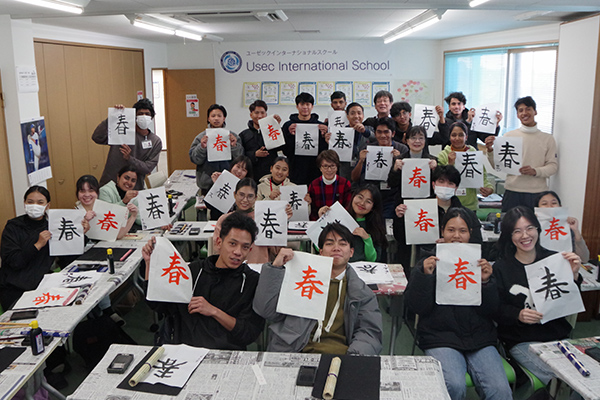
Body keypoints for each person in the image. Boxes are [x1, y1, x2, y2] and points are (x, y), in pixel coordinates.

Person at [405, 207, 512, 400]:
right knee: (453, 385)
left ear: (470, 233)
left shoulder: (480, 263)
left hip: (479, 338)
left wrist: (486, 282)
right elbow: (416, 307)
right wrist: (425, 276)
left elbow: (492, 310)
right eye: (451, 230)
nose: (456, 236)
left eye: (462, 231)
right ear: (442, 231)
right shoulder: (428, 261)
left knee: (500, 390)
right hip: (440, 336)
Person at [253, 223, 383, 355]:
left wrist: (355, 355)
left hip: (341, 355)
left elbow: (369, 332)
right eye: (329, 243)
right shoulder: (299, 279)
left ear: (351, 252)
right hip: (294, 350)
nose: (336, 248)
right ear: (320, 252)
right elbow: (265, 310)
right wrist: (275, 268)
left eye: (342, 244)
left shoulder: (363, 293)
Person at [142, 213, 265, 350]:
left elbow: (249, 333)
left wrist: (214, 311)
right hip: (185, 351)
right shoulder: (193, 271)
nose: (238, 252)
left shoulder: (252, 281)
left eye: (245, 247)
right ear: (219, 242)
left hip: (225, 352)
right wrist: (149, 264)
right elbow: (158, 305)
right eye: (232, 244)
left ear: (250, 250)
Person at [493, 206, 582, 385]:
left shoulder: (555, 260)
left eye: (529, 228)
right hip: (522, 340)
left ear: (538, 229)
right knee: (561, 380)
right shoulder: (501, 268)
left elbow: (568, 301)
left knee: (584, 375)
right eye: (517, 231)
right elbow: (495, 309)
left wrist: (573, 276)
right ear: (510, 236)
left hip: (557, 336)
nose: (525, 235)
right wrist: (517, 315)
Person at [0, 186, 87, 310]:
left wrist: (80, 234)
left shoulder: (53, 226)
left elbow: (68, 259)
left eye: (40, 202)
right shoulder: (13, 227)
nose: (34, 206)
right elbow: (15, 262)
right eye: (30, 202)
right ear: (24, 203)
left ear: (47, 205)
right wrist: (37, 245)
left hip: (43, 285)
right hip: (14, 288)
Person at [394, 165, 483, 267]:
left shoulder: (467, 214)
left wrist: (452, 243)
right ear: (433, 184)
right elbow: (401, 238)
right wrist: (399, 218)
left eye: (450, 183)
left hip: (458, 265)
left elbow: (477, 244)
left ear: (456, 188)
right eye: (441, 182)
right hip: (425, 263)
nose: (445, 186)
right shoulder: (419, 209)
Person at [485, 96, 558, 211]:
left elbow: (553, 166)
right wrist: (490, 150)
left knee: (536, 223)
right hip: (512, 191)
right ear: (517, 115)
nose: (524, 113)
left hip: (537, 193)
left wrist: (535, 171)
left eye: (528, 109)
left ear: (535, 112)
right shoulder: (509, 136)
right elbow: (498, 166)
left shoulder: (548, 139)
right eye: (520, 110)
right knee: (509, 222)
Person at [387, 126, 438, 270]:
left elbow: (439, 186)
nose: (417, 141)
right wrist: (395, 169)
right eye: (413, 138)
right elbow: (391, 184)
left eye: (421, 138)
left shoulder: (433, 160)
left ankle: (423, 275)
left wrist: (436, 170)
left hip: (425, 210)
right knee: (404, 247)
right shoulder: (399, 160)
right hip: (403, 208)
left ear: (425, 141)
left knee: (425, 248)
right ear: (407, 140)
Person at [213, 178, 292, 263]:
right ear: (234, 195)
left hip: (259, 267)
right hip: (231, 266)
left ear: (255, 198)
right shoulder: (224, 219)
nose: (245, 200)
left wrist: (281, 221)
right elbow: (217, 248)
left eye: (250, 196)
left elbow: (276, 250)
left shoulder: (265, 217)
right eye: (241, 195)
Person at [92, 98, 162, 190]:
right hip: (111, 185)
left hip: (133, 188)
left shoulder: (155, 141)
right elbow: (97, 137)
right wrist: (114, 117)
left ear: (152, 117)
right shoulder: (122, 131)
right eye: (140, 114)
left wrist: (130, 159)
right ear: (134, 116)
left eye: (147, 114)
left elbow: (148, 168)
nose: (144, 116)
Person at [352, 117, 408, 219]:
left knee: (387, 223)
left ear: (393, 133)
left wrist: (399, 160)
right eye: (379, 132)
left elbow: (407, 178)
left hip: (391, 197)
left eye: (386, 132)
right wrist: (361, 161)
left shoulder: (402, 149)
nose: (382, 135)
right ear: (375, 133)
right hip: (370, 196)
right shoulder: (368, 149)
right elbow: (354, 178)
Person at [437, 121, 495, 211]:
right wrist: (450, 164)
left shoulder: (473, 153)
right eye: (454, 135)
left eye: (461, 135)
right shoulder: (443, 155)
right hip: (448, 203)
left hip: (470, 204)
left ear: (466, 137)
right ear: (449, 137)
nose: (457, 138)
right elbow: (440, 180)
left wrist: (489, 188)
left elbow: (482, 176)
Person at [189, 104, 244, 194]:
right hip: (207, 184)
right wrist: (202, 147)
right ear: (208, 119)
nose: (216, 118)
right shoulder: (201, 137)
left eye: (219, 116)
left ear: (224, 118)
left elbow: (240, 159)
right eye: (213, 116)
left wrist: (234, 146)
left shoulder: (233, 137)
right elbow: (195, 160)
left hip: (229, 183)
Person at [282, 93, 327, 185]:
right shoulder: (288, 126)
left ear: (312, 106)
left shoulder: (320, 126)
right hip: (295, 168)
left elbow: (324, 152)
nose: (305, 107)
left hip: (315, 168)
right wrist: (290, 135)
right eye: (302, 104)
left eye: (308, 104)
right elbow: (285, 150)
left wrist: (324, 136)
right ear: (297, 106)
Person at [324, 102, 376, 180]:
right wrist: (330, 143)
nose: (356, 116)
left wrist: (365, 131)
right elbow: (334, 155)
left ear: (363, 115)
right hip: (345, 170)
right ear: (347, 116)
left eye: (359, 113)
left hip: (365, 171)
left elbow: (376, 139)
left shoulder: (369, 129)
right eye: (352, 113)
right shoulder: (340, 131)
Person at [76, 174, 137, 240]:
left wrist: (133, 216)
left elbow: (118, 235)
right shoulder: (74, 214)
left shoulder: (105, 209)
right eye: (82, 191)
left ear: (97, 192)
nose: (87, 194)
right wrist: (85, 221)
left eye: (91, 190)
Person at [534, 190, 590, 262]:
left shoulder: (567, 227)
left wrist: (576, 231)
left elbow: (584, 259)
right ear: (537, 209)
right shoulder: (532, 229)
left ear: (560, 207)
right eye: (544, 204)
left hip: (565, 265)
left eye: (554, 203)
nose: (550, 206)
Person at [436, 91, 502, 148]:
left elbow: (485, 138)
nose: (456, 107)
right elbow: (445, 137)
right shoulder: (445, 122)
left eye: (459, 104)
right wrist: (468, 121)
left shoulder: (474, 120)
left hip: (471, 155)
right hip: (452, 155)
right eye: (453, 104)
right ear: (449, 107)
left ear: (463, 106)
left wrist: (496, 124)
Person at [239, 100, 282, 182]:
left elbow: (281, 147)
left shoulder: (272, 132)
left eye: (262, 113)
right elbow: (240, 155)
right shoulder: (244, 134)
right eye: (256, 113)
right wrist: (254, 154)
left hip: (270, 174)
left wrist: (276, 127)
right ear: (251, 115)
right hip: (251, 174)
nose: (259, 116)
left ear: (266, 114)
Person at [347, 184, 387, 262]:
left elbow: (373, 259)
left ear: (373, 207)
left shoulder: (375, 227)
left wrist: (367, 239)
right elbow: (323, 248)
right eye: (360, 197)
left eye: (368, 201)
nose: (362, 203)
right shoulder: (340, 218)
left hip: (362, 267)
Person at [307, 150, 352, 221]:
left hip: (340, 221)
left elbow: (348, 207)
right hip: (319, 221)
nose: (329, 170)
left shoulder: (345, 183)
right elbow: (312, 211)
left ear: (337, 167)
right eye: (325, 166)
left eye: (332, 166)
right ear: (320, 168)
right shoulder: (314, 185)